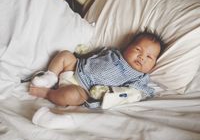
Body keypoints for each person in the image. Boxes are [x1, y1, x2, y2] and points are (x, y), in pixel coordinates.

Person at [29, 31, 164, 108]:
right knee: (65, 55)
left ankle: (48, 93)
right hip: (75, 68)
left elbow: (135, 92)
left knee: (72, 96)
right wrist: (83, 54)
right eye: (138, 50)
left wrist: (109, 92)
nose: (142, 57)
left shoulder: (139, 77)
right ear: (127, 47)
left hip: (84, 90)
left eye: (149, 57)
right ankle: (50, 76)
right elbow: (95, 56)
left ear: (153, 65)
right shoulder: (114, 52)